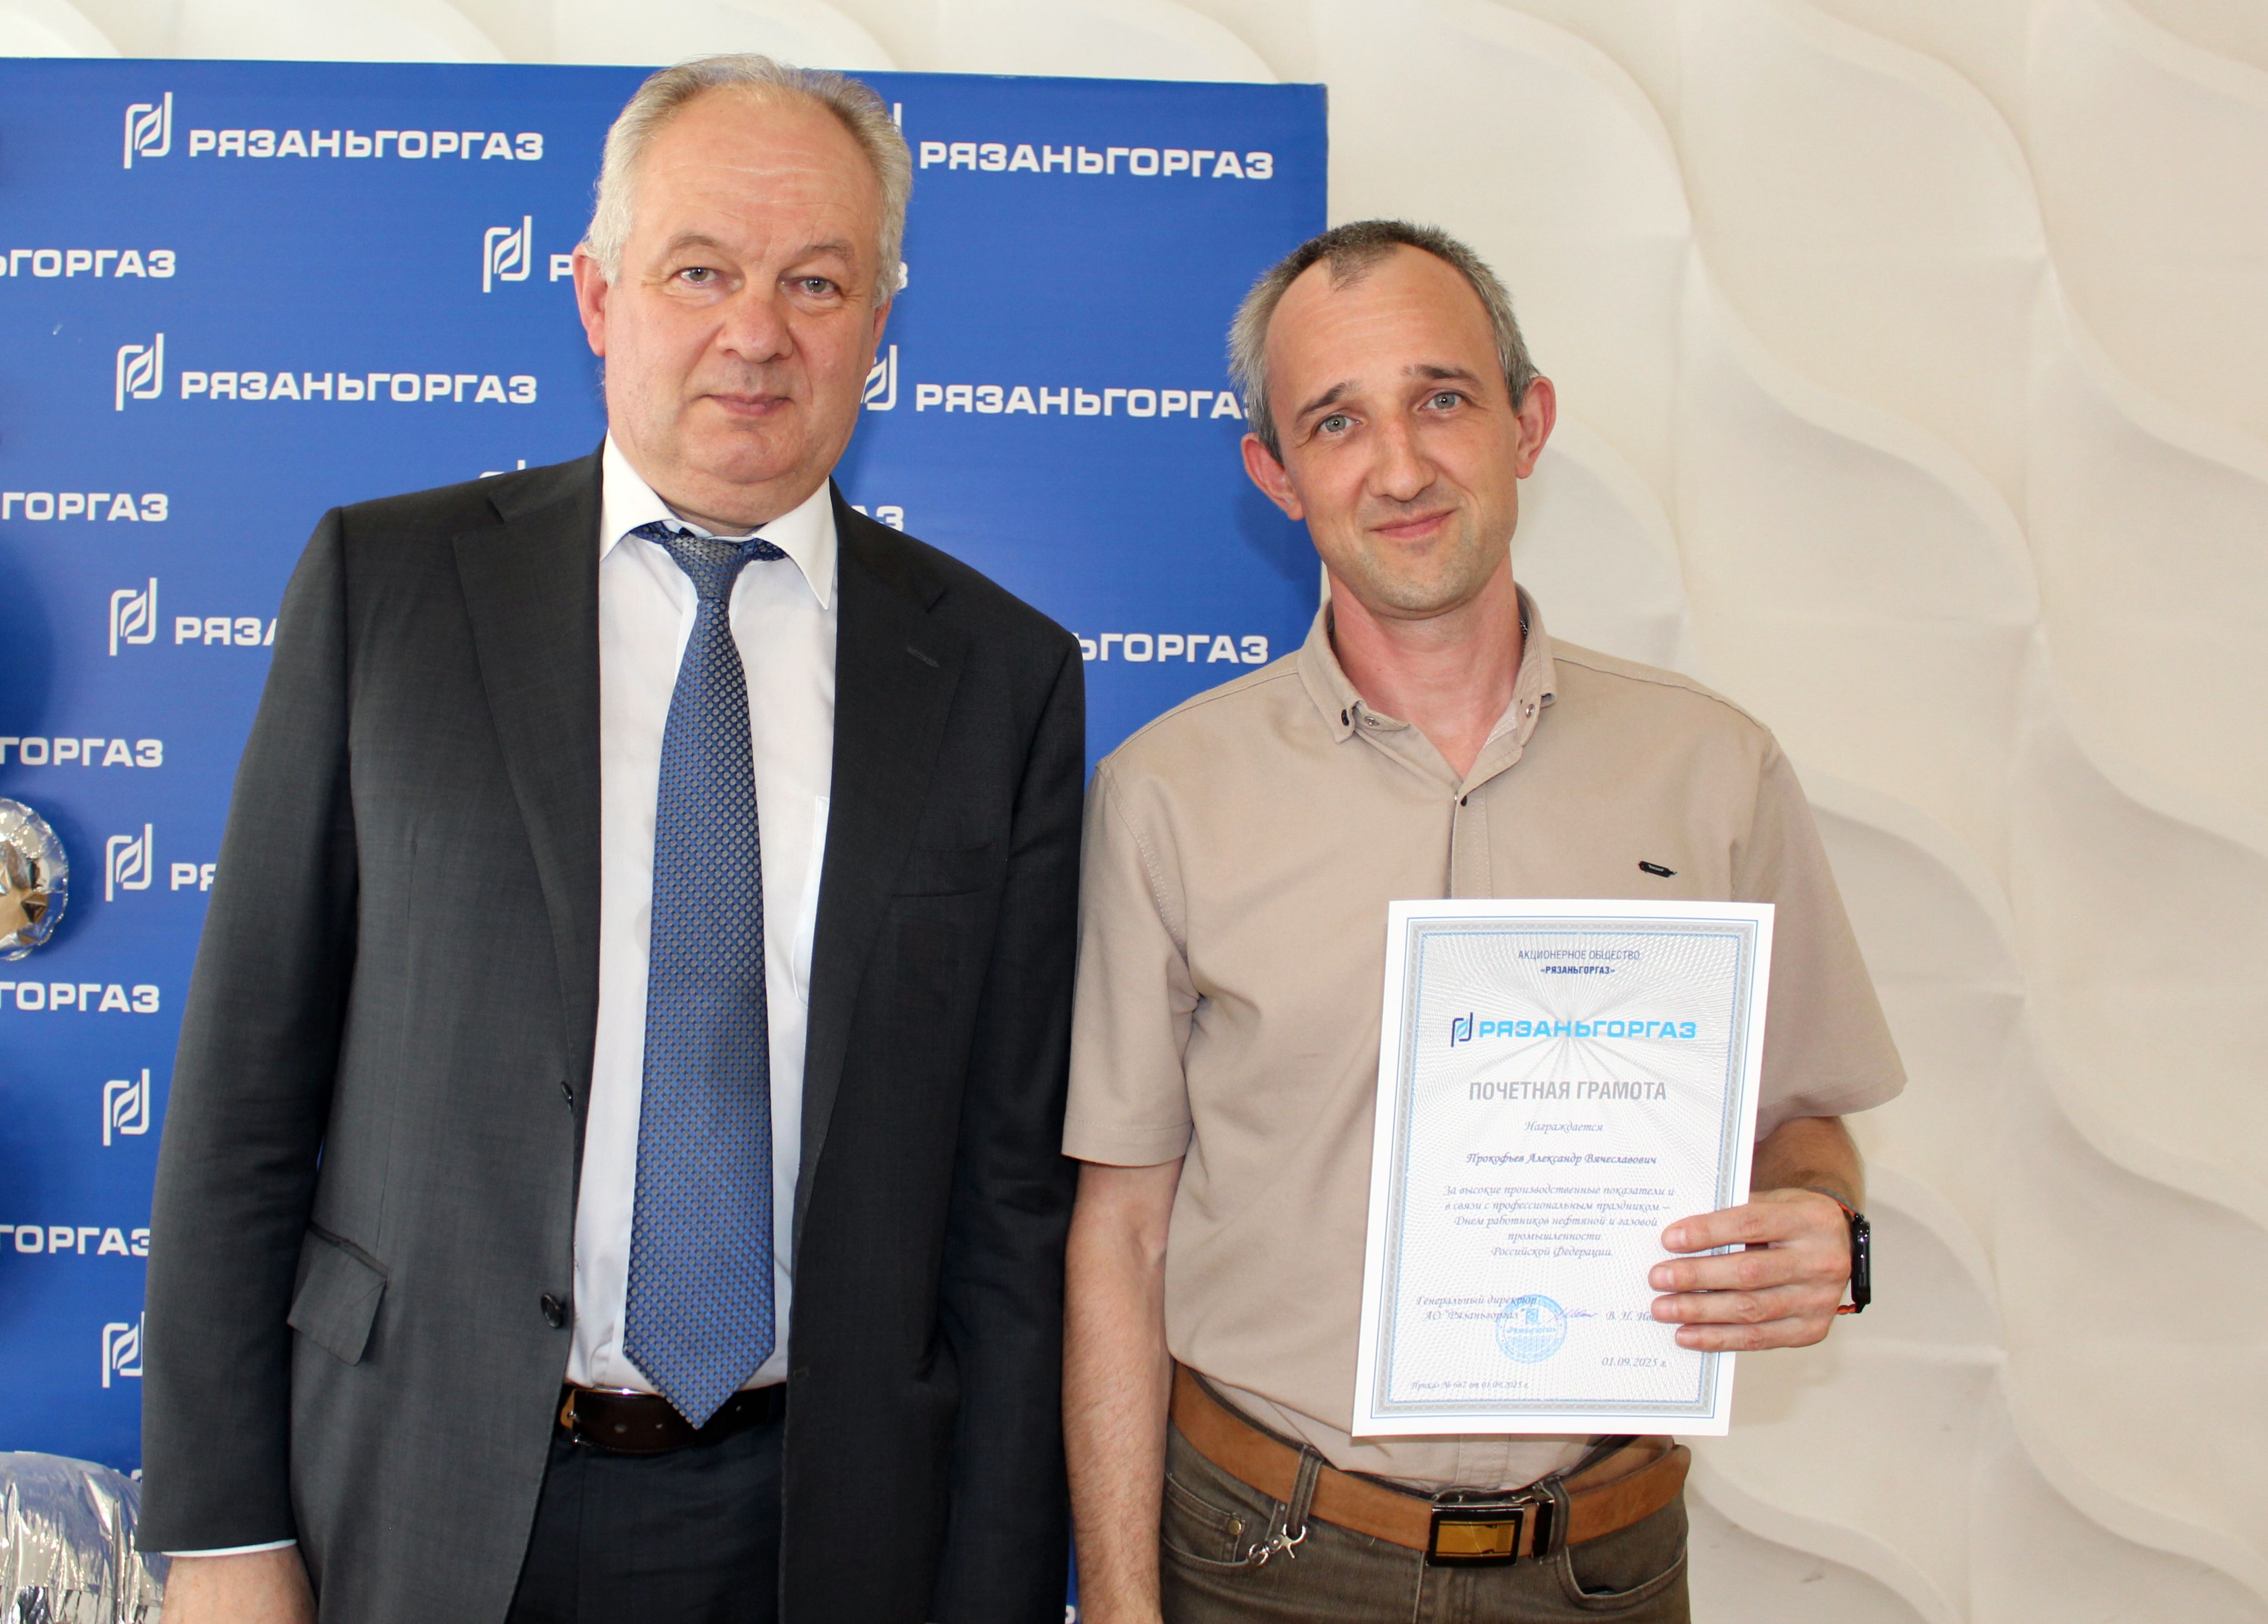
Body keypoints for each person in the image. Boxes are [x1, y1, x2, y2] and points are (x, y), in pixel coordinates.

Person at [138, 55, 1083, 1624]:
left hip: (830, 1528)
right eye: (699, 270)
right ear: (596, 294)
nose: (757, 333)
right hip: (417, 1498)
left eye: (817, 282)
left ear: (878, 324)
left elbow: (1007, 1211)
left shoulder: (1001, 677)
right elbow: (244, 1093)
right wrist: (226, 1532)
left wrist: (993, 1586)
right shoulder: (388, 592)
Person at [1061, 220, 1903, 1623]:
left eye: (1441, 399)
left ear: (1529, 423)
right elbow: (1123, 1232)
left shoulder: (1713, 770)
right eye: (1337, 422)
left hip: (1604, 1565)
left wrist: (1822, 1215)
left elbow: (1803, 1120)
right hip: (1265, 1560)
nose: (1399, 468)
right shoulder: (1168, 796)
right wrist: (1120, 1606)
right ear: (1275, 474)